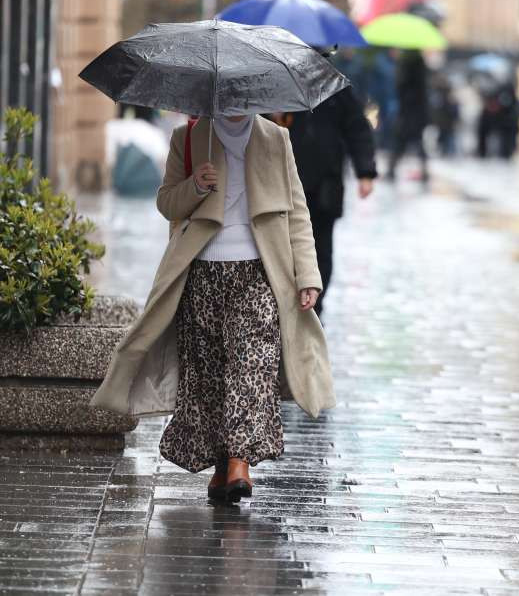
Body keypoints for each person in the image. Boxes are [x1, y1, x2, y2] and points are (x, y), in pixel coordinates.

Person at [90, 115, 332, 503]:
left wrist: (308, 274)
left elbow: (297, 212)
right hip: (201, 273)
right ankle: (222, 467)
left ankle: (240, 461)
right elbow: (167, 202)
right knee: (209, 374)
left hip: (259, 273)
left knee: (252, 363)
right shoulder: (188, 137)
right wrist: (195, 185)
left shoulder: (276, 138)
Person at [281, 85, 378, 317]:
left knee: (322, 249)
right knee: (286, 248)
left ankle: (315, 307)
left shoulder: (337, 89)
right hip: (288, 184)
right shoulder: (284, 86)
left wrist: (365, 172)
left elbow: (357, 129)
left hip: (326, 185)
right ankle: (287, 304)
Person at [387, 49, 430, 181]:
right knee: (416, 141)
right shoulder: (421, 67)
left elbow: (402, 89)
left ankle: (392, 169)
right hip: (418, 112)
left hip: (408, 112)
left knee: (401, 141)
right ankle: (424, 170)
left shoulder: (407, 68)